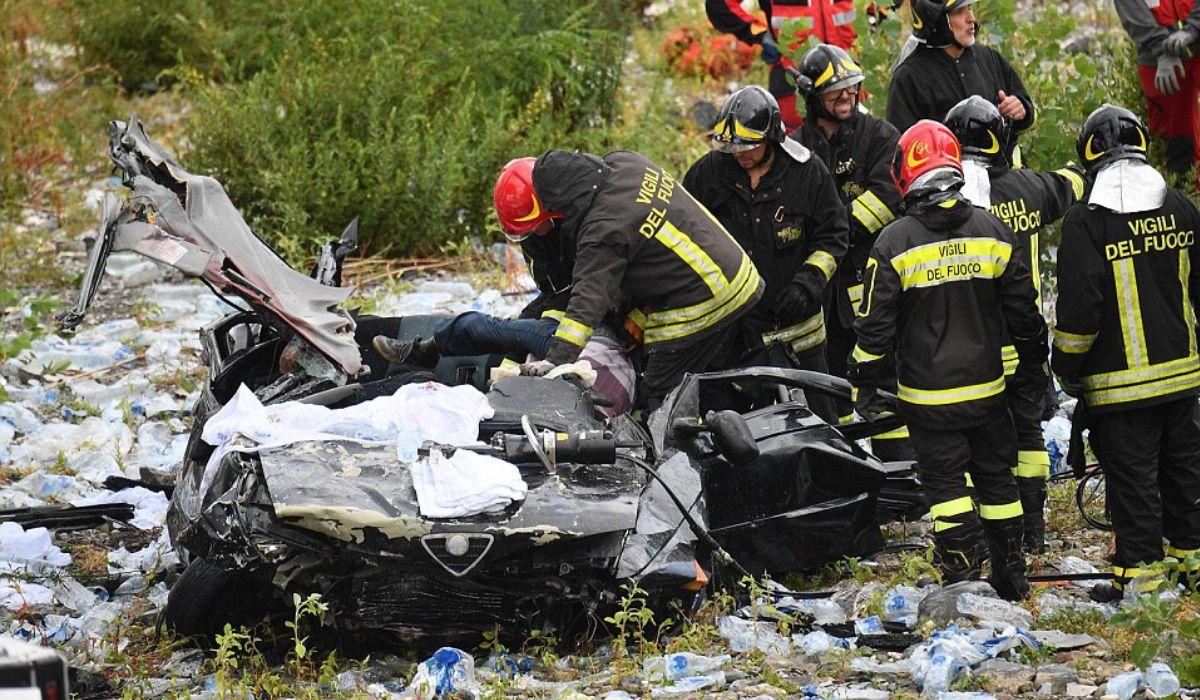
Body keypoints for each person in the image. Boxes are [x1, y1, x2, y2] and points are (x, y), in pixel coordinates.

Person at [848, 120, 1046, 599]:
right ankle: (1012, 576)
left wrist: (866, 380)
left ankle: (961, 578)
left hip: (928, 398)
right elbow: (1025, 314)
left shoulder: (894, 242)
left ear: (905, 175)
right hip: (989, 391)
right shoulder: (992, 230)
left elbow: (874, 328)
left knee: (947, 489)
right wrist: (1035, 365)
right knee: (998, 481)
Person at [1051, 105, 1200, 603]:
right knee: (1186, 479)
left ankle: (1143, 590)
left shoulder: (1086, 222)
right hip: (1183, 380)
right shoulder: (1179, 206)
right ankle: (1192, 569)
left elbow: (1078, 314)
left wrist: (1066, 368)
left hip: (1120, 391)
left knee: (1134, 488)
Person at [491, 150, 762, 410]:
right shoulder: (624, 163)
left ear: (554, 207)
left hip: (708, 295)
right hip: (736, 271)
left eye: (536, 227)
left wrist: (556, 360)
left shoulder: (602, 230)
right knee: (707, 381)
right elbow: (643, 258)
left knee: (659, 393)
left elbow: (589, 300)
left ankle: (673, 452)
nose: (538, 235)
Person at [944, 95, 1084, 552]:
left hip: (966, 349)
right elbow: (1073, 185)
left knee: (973, 442)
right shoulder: (1028, 188)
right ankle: (1034, 529)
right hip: (1022, 342)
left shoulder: (942, 199)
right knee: (1028, 435)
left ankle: (982, 536)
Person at [683, 86, 848, 422]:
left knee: (815, 434)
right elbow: (685, 240)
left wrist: (807, 284)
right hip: (729, 339)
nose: (739, 152)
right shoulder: (707, 175)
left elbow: (833, 236)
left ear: (772, 138)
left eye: (749, 144)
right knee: (727, 439)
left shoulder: (807, 172)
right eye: (731, 145)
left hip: (797, 341)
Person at [790, 44, 909, 455]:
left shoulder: (879, 137)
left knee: (883, 383)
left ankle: (903, 483)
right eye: (835, 91)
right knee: (829, 389)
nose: (847, 97)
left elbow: (887, 197)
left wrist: (830, 230)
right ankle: (844, 474)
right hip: (824, 296)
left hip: (872, 285)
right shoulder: (796, 148)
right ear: (811, 97)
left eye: (852, 88)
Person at [886, 0, 1034, 161]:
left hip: (1005, 178)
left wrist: (1022, 110)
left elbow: (1029, 115)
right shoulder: (909, 78)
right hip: (950, 184)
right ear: (937, 21)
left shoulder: (989, 58)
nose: (971, 18)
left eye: (969, 8)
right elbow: (903, 152)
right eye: (958, 12)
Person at [705, 0, 858, 129]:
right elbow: (719, 5)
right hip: (793, 81)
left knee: (855, 151)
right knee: (799, 154)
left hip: (848, 77)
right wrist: (759, 34)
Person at [1115, 0, 1200, 189]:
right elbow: (1131, 9)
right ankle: (1186, 202)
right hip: (1158, 58)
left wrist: (1194, 27)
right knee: (1175, 140)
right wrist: (1162, 50)